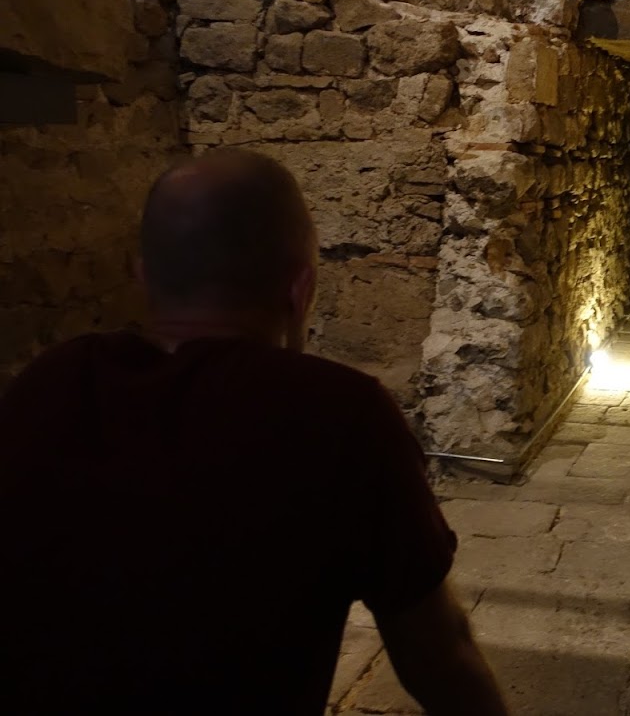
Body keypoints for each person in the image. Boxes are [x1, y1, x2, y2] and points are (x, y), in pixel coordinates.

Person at [0, 150, 508, 715]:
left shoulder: (47, 383)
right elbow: (438, 653)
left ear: (143, 276)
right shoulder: (338, 414)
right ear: (301, 290)